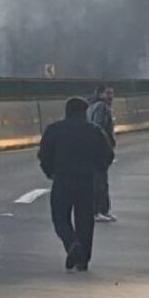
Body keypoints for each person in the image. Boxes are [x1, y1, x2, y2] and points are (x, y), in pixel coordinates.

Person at [37, 97, 114, 273]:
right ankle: (83, 260)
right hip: (86, 181)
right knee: (85, 221)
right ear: (84, 112)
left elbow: (44, 154)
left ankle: (72, 243)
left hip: (62, 179)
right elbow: (107, 154)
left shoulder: (54, 130)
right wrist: (97, 170)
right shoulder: (94, 131)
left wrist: (50, 172)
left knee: (60, 218)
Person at [87, 85, 117, 223]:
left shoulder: (94, 106)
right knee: (99, 181)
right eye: (108, 93)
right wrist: (105, 146)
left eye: (112, 93)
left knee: (100, 180)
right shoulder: (101, 107)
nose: (111, 96)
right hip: (99, 150)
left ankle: (101, 210)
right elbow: (98, 127)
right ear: (100, 94)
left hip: (95, 149)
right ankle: (98, 211)